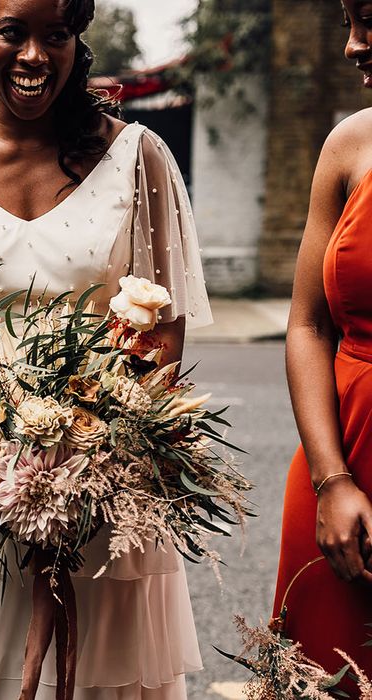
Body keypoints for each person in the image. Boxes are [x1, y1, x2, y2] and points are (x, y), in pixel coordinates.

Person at [0, 0, 213, 697]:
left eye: (54, 36)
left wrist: (98, 455)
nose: (33, 56)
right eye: (13, 32)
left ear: (75, 38)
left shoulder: (138, 157)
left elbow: (164, 343)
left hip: (104, 499)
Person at [272, 0, 372, 684]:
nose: (354, 47)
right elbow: (308, 324)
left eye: (371, 20)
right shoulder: (350, 145)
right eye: (346, 24)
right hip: (343, 466)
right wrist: (331, 480)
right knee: (330, 678)